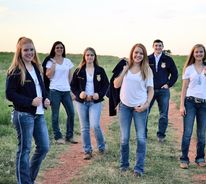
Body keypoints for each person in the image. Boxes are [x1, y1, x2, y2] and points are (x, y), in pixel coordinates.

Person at [6, 37, 50, 184]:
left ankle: (27, 179)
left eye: (31, 49)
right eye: (26, 50)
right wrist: (30, 101)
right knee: (24, 150)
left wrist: (45, 99)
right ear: (20, 51)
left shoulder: (36, 67)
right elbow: (9, 94)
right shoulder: (15, 70)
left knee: (44, 147)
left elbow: (41, 88)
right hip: (23, 115)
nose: (29, 52)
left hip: (39, 114)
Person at [114, 43, 154, 177]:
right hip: (125, 106)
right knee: (124, 138)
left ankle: (138, 169)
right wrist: (124, 71)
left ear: (144, 56)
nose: (138, 55)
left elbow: (150, 90)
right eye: (136, 52)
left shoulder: (147, 69)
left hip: (140, 107)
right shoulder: (125, 67)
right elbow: (116, 84)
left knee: (141, 139)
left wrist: (146, 104)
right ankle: (124, 165)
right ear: (132, 53)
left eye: (141, 53)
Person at [179, 44, 206, 169]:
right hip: (190, 102)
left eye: (201, 52)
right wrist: (182, 105)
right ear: (193, 53)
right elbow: (184, 87)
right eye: (196, 52)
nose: (199, 54)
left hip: (204, 104)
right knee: (187, 132)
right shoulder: (189, 69)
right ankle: (184, 159)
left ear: (204, 53)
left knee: (201, 133)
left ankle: (200, 158)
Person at [70, 47, 109, 160]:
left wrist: (99, 94)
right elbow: (73, 85)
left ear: (94, 57)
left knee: (95, 125)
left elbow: (106, 85)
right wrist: (79, 94)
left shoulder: (100, 70)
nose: (90, 57)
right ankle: (87, 151)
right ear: (84, 56)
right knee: (84, 128)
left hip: (95, 102)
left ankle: (101, 146)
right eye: (87, 55)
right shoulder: (79, 70)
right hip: (82, 102)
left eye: (92, 55)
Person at [45, 41, 77, 144]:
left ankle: (69, 136)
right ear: (54, 49)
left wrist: (70, 90)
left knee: (71, 113)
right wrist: (54, 64)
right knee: (55, 115)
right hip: (54, 90)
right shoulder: (50, 61)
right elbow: (48, 75)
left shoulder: (67, 61)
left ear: (63, 49)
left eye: (61, 48)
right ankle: (58, 137)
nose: (59, 49)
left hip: (66, 91)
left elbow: (70, 77)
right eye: (57, 47)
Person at [148, 39, 178, 142]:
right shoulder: (148, 59)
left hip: (163, 91)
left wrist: (168, 84)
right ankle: (143, 133)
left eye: (160, 45)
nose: (158, 47)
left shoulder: (168, 59)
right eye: (156, 45)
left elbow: (175, 74)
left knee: (163, 114)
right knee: (145, 111)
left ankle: (161, 135)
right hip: (150, 90)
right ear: (153, 46)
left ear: (163, 47)